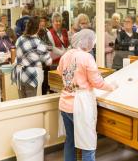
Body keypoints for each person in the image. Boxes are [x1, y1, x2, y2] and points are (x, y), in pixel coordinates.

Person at [57, 29, 116, 161]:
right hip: (81, 105)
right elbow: (97, 82)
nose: (93, 45)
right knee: (88, 144)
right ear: (86, 42)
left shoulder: (66, 55)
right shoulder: (87, 57)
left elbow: (60, 71)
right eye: (93, 42)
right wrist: (112, 87)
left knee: (70, 141)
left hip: (65, 103)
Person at [11, 16, 52, 98]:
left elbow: (17, 53)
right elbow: (49, 62)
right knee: (31, 103)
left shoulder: (19, 39)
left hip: (19, 74)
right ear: (37, 28)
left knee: (22, 101)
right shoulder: (38, 43)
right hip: (31, 76)